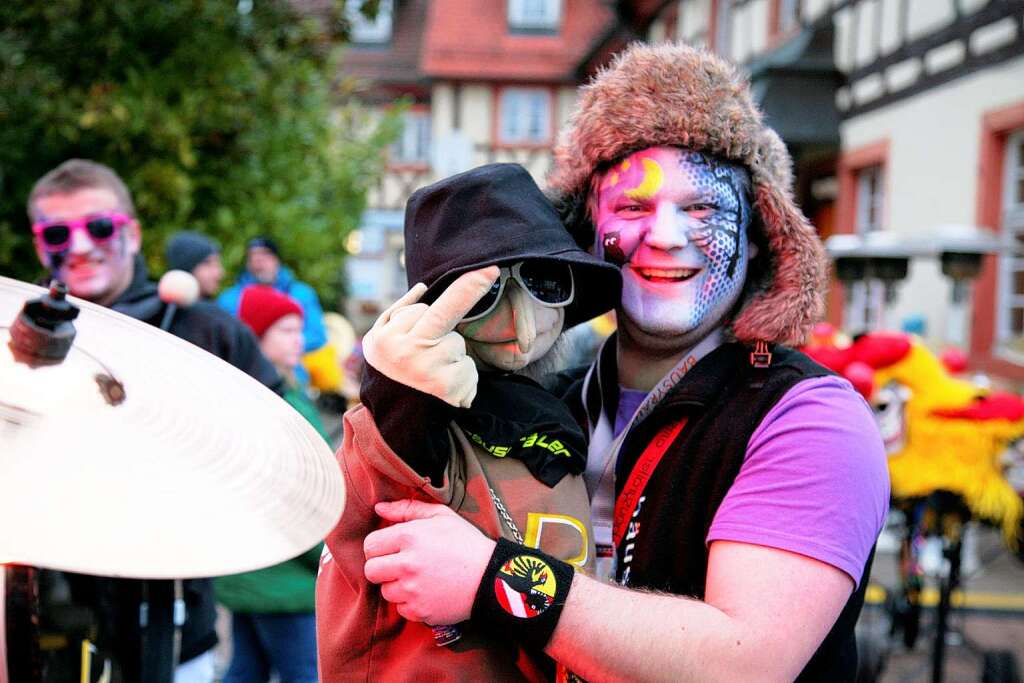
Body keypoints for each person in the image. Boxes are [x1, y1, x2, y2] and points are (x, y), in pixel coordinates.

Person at [355, 43, 890, 681]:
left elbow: (746, 665)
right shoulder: (554, 399)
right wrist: (394, 400)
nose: (665, 237)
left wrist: (492, 578)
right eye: (634, 207)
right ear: (586, 234)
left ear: (757, 238)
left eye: (703, 210)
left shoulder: (809, 421)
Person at [315, 163, 620, 681]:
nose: (522, 323)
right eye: (483, 297)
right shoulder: (416, 429)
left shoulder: (566, 406)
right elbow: (380, 478)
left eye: (544, 282)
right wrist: (398, 396)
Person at [26, 158, 283, 683]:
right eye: (57, 232)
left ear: (133, 233)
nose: (78, 247)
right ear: (39, 244)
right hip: (45, 621)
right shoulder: (18, 341)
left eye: (98, 227)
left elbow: (285, 449)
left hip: (174, 620)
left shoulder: (206, 332)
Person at [215, 285, 328, 683]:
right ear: (257, 336)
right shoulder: (270, 403)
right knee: (307, 674)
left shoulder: (275, 390)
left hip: (253, 569)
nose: (299, 338)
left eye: (299, 329)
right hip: (284, 576)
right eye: (285, 330)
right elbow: (294, 496)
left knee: (246, 670)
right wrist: (328, 557)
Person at [218, 236, 327, 355]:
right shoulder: (229, 299)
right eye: (252, 256)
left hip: (294, 362)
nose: (258, 260)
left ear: (277, 260)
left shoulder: (301, 293)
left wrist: (281, 346)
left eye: (266, 254)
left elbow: (317, 335)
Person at [165, 231, 225, 299]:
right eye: (208, 264)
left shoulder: (214, 307)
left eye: (217, 265)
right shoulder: (158, 307)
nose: (219, 274)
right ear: (185, 269)